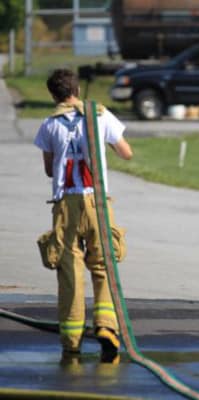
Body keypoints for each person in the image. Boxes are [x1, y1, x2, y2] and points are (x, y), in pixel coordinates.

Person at [34, 69, 133, 363]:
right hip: (98, 201)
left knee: (70, 272)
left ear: (53, 95)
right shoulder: (100, 115)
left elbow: (50, 169)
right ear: (78, 89)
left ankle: (72, 340)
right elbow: (126, 152)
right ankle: (106, 328)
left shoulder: (49, 124)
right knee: (104, 265)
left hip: (66, 204)